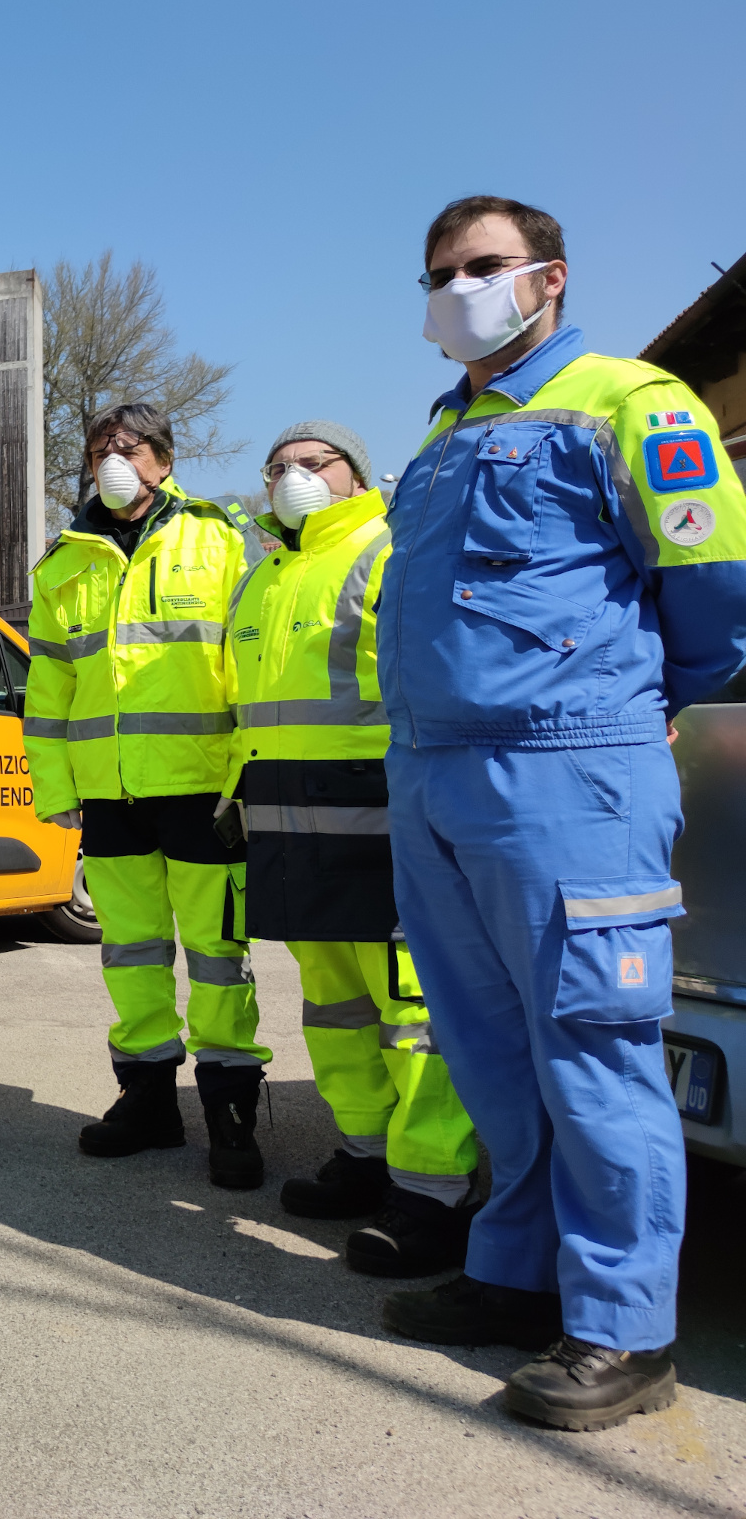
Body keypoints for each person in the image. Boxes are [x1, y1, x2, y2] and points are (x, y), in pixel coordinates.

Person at [379, 197, 746, 1431]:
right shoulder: (441, 435)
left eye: (484, 265)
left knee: (593, 1052)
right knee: (490, 1053)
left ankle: (624, 1331)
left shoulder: (632, 400)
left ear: (550, 276)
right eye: (441, 271)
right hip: (433, 772)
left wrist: (619, 704)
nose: (459, 287)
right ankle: (513, 1273)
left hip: (567, 771)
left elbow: (710, 590)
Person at [222, 421, 479, 1274]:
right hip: (290, 824)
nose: (292, 476)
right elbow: (242, 709)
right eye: (277, 467)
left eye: (311, 462)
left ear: (354, 473)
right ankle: (365, 1156)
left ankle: (433, 1195)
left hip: (383, 821)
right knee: (332, 1009)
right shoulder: (263, 577)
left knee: (412, 1016)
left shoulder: (386, 553)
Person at [23, 404, 267, 1189]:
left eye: (125, 448)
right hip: (111, 793)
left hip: (203, 790)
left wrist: (246, 779)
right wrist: (57, 788)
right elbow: (47, 689)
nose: (110, 461)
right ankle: (149, 1101)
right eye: (98, 451)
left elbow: (254, 672)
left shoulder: (222, 540)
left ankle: (230, 1109)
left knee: (217, 956)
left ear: (162, 458)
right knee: (131, 956)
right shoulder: (62, 563)